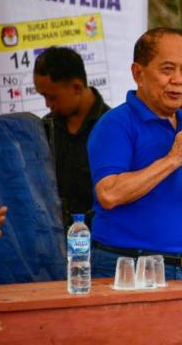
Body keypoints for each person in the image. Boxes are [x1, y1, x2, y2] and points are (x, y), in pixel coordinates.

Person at [88, 27, 182, 281]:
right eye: (167, 69)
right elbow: (109, 193)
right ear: (138, 73)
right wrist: (172, 159)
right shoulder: (116, 123)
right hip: (127, 265)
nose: (178, 80)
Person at [33, 47, 110, 229]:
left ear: (77, 87)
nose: (47, 104)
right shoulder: (44, 128)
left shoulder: (112, 127)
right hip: (54, 238)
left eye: (52, 97)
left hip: (101, 239)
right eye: (43, 96)